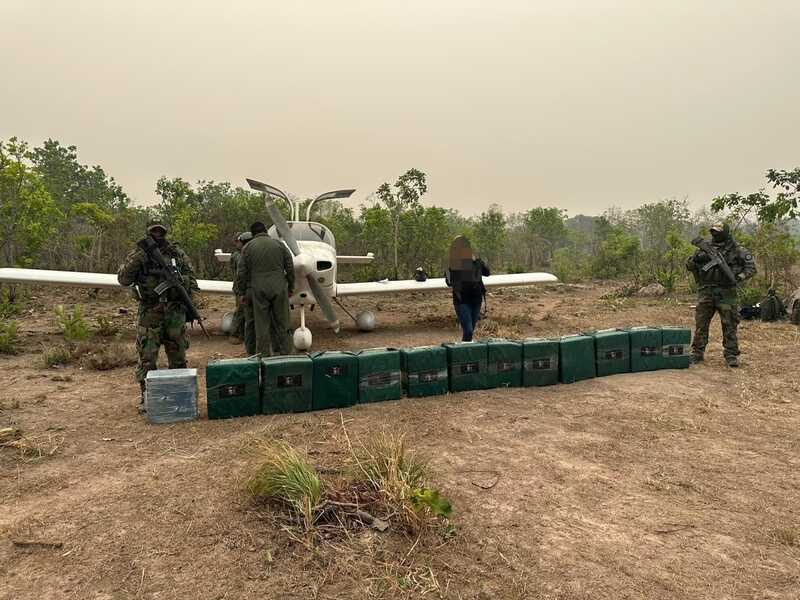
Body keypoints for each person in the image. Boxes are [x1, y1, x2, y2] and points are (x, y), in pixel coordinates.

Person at [118, 220, 198, 412]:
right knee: (147, 357)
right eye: (154, 231)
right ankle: (147, 398)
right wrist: (139, 257)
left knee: (178, 357)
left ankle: (179, 397)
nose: (157, 234)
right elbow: (123, 279)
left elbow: (193, 282)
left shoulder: (177, 254)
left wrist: (179, 280)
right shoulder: (139, 254)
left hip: (174, 313)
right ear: (148, 232)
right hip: (150, 312)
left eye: (160, 231)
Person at [686, 222, 756, 367]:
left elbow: (751, 268)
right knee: (701, 324)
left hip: (727, 292)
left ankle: (730, 355)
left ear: (725, 232)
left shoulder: (737, 250)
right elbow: (689, 266)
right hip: (706, 291)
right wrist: (695, 260)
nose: (715, 234)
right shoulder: (704, 248)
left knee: (729, 324)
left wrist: (739, 277)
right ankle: (697, 353)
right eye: (713, 231)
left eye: (718, 231)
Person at [235, 221, 294, 355]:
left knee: (261, 326)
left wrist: (242, 292)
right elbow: (290, 268)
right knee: (283, 323)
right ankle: (286, 355)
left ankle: (264, 357)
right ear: (266, 230)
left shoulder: (248, 248)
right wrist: (290, 287)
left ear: (253, 233)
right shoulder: (280, 245)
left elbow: (241, 273)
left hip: (258, 290)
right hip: (279, 288)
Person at [446, 256, 489, 342]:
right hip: (462, 301)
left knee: (470, 331)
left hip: (476, 300)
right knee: (468, 331)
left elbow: (487, 273)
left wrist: (479, 262)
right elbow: (449, 282)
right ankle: (463, 350)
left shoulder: (477, 263)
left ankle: (465, 350)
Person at [228, 234, 246, 342]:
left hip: (239, 287)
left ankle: (240, 333)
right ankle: (234, 334)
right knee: (240, 311)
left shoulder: (238, 255)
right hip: (240, 288)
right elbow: (240, 274)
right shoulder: (237, 256)